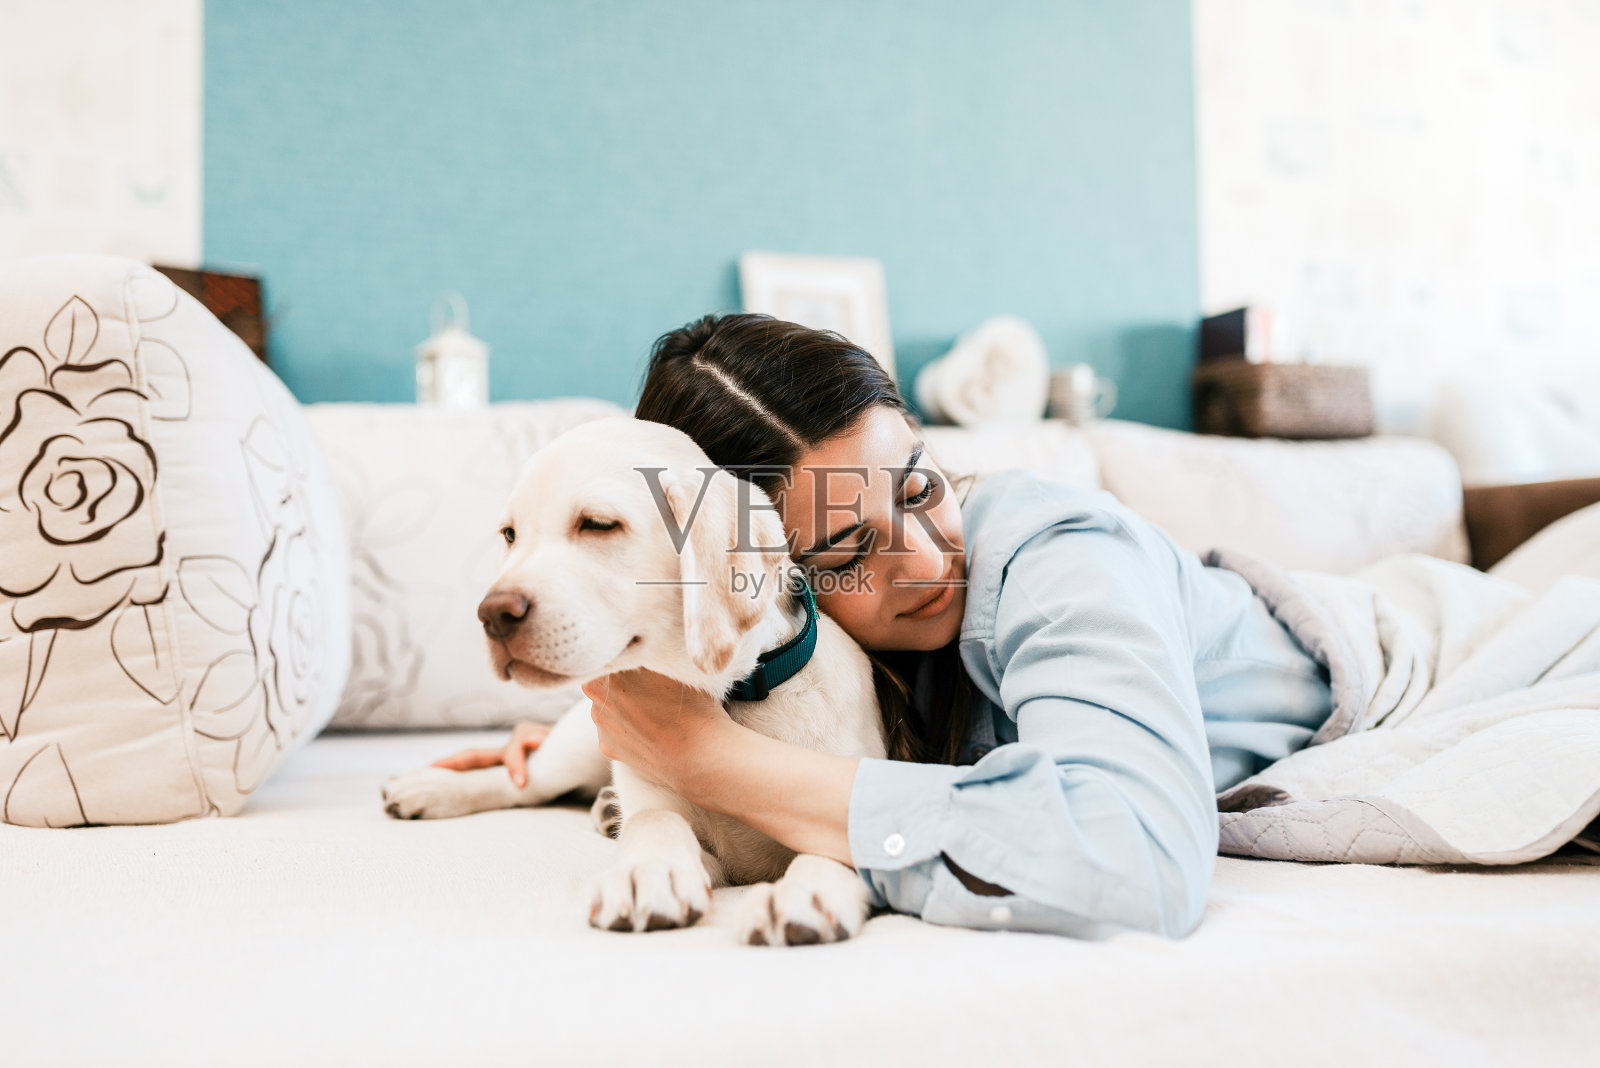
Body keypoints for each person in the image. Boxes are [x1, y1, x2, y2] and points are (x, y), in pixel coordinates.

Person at [434, 314, 1334, 938]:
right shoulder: (786, 627)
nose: (930, 559)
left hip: (1412, 650)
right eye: (846, 548)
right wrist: (601, 743)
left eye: (916, 485)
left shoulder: (1058, 558)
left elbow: (1136, 854)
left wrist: (709, 762)